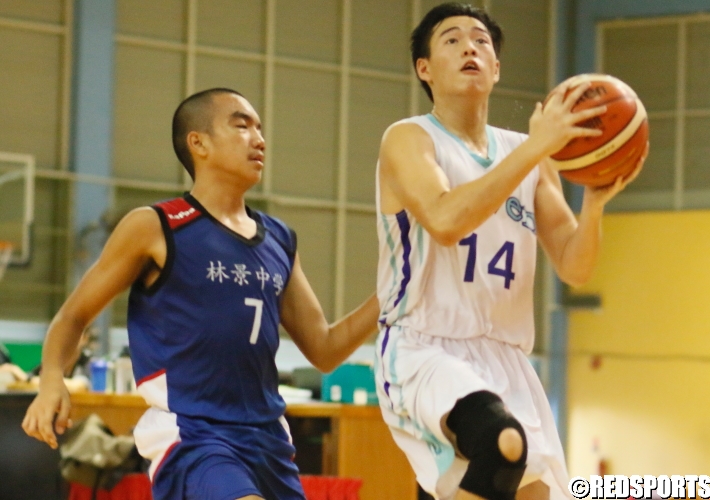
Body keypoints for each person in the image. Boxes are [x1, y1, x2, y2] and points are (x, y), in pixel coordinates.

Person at [22, 87, 380, 500]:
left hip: (268, 437)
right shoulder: (155, 226)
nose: (259, 139)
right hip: (193, 434)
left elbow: (325, 348)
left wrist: (388, 295)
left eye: (260, 129)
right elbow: (72, 316)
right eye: (242, 126)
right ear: (199, 143)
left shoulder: (279, 240)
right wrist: (52, 379)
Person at [374, 3, 647, 500]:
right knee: (501, 444)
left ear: (497, 68)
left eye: (480, 40)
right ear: (425, 69)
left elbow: (575, 266)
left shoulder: (529, 154)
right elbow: (444, 220)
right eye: (451, 40)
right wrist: (536, 149)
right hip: (425, 346)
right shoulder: (409, 139)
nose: (469, 48)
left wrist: (594, 202)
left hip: (506, 356)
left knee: (531, 491)